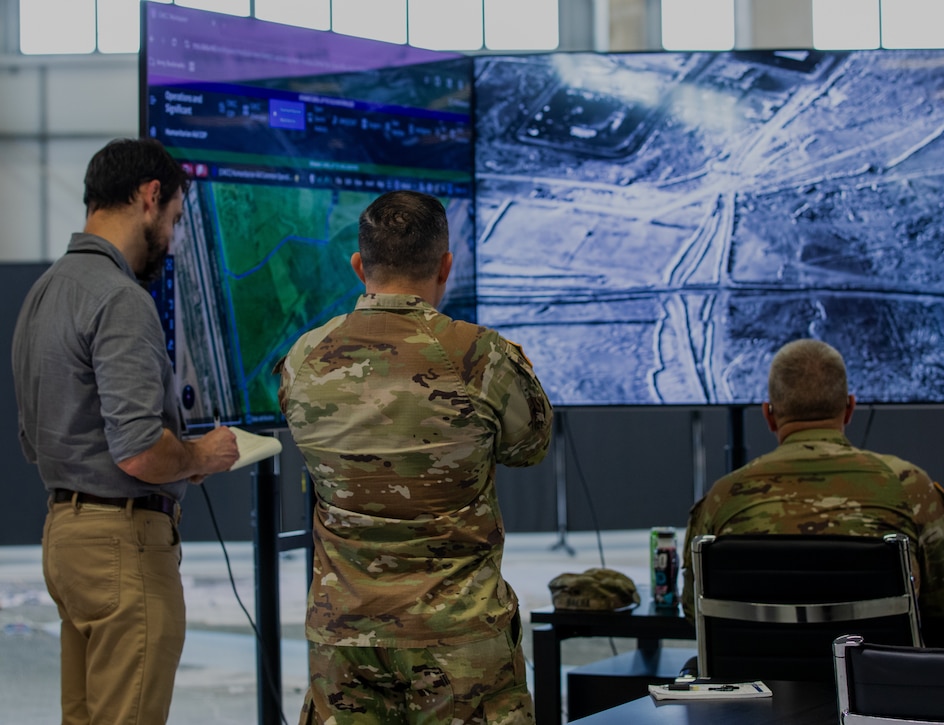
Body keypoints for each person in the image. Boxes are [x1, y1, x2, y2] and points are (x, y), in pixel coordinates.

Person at [277, 190, 553, 725]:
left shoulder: (302, 358)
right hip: (459, 643)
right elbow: (530, 447)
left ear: (359, 265)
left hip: (345, 643)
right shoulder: (480, 356)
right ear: (446, 266)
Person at [11, 137, 240, 725]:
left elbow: (35, 442)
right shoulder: (120, 300)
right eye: (175, 219)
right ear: (150, 196)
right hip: (123, 548)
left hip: (65, 540)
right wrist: (200, 454)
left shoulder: (43, 294)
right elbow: (139, 450)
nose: (173, 236)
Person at [681, 338, 944, 622]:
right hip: (875, 666)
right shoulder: (908, 485)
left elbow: (696, 612)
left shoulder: (723, 497)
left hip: (757, 667)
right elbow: (942, 605)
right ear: (850, 408)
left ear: (769, 415)